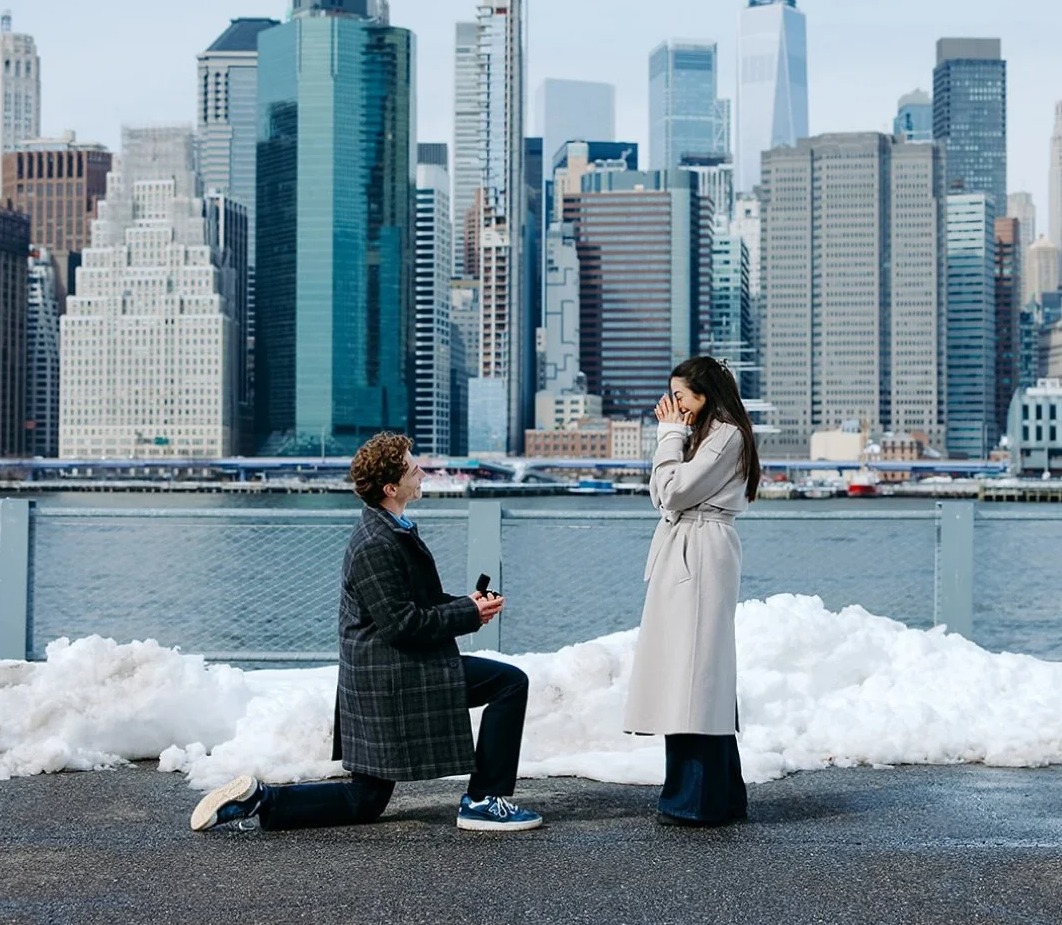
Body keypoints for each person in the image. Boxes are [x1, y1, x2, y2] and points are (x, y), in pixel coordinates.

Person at [190, 432, 542, 834]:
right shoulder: (377, 542)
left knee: (366, 799)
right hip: (393, 675)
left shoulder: (390, 529)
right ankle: (483, 801)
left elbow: (412, 603)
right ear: (392, 487)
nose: (423, 473)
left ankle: (259, 799)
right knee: (509, 683)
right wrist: (466, 613)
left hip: (381, 672)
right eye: (414, 468)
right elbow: (402, 624)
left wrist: (468, 605)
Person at [623, 355, 761, 827]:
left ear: (705, 395)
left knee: (696, 673)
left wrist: (668, 438)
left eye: (680, 395)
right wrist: (675, 443)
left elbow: (671, 492)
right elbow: (666, 492)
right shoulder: (712, 434)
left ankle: (696, 798)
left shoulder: (724, 435)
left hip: (699, 550)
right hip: (692, 547)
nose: (672, 405)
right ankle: (716, 794)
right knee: (695, 672)